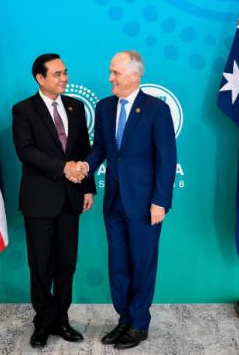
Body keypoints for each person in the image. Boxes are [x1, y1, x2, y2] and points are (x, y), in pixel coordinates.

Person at [79, 50, 177, 349]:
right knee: (118, 264)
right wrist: (85, 167)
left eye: (115, 73)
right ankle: (124, 319)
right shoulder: (106, 106)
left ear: (135, 75)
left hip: (146, 204)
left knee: (143, 263)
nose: (109, 78)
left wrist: (160, 201)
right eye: (110, 72)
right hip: (114, 203)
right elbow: (101, 150)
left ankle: (139, 323)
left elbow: (167, 159)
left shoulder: (156, 110)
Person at [12, 53, 95, 349]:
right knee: (40, 266)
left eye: (65, 72)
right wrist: (63, 168)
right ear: (40, 78)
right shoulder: (23, 110)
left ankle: (62, 318)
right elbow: (26, 151)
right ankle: (43, 322)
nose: (64, 78)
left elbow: (84, 150)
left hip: (71, 201)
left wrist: (88, 188)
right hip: (39, 202)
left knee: (66, 265)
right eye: (57, 74)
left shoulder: (76, 107)